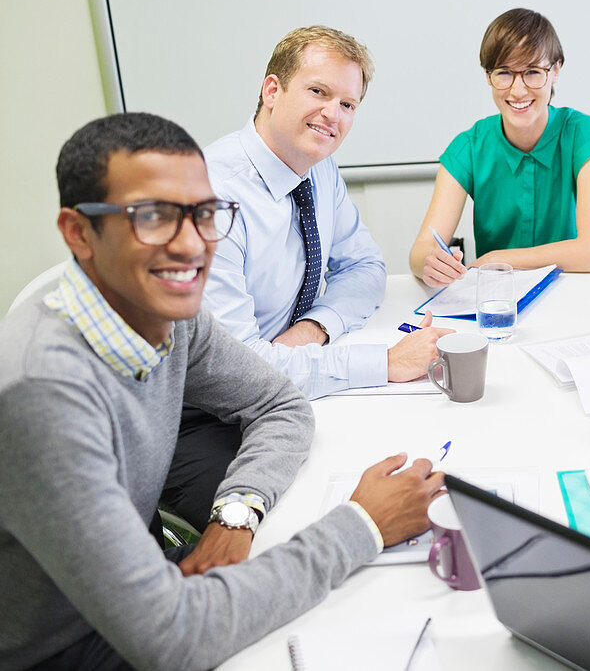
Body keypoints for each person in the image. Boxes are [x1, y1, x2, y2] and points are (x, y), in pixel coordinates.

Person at [0, 113, 444, 670]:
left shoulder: (168, 312)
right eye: (155, 217)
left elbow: (279, 403)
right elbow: (171, 638)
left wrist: (235, 513)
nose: (191, 246)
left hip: (144, 586)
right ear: (78, 233)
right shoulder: (41, 395)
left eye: (205, 214)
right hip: (65, 645)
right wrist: (363, 525)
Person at [166, 26, 451, 530]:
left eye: (348, 104)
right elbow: (239, 372)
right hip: (193, 417)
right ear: (272, 91)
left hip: (275, 389)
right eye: (319, 92)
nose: (333, 115)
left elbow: (364, 269)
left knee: (391, 466)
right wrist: (385, 362)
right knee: (303, 525)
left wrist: (312, 331)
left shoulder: (316, 169)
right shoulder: (208, 199)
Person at [409, 8, 590, 287]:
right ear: (488, 76)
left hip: (572, 289)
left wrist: (497, 258)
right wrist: (430, 263)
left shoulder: (584, 133)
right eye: (504, 73)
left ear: (556, 71)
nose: (518, 91)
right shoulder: (468, 147)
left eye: (533, 72)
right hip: (498, 298)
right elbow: (421, 249)